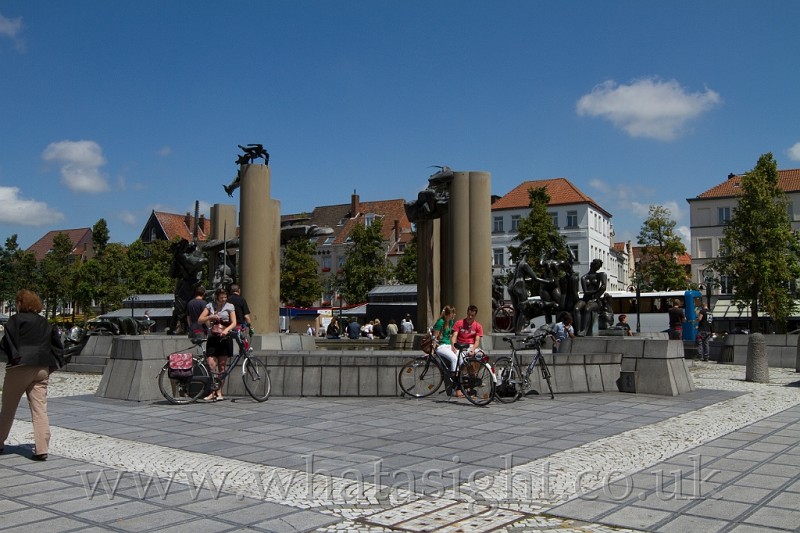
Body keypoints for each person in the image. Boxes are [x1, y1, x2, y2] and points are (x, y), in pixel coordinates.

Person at [0, 289, 65, 460]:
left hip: (20, 366)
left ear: (20, 303)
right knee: (39, 409)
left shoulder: (16, 320)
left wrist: (13, 357)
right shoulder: (45, 322)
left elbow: (8, 342)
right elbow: (56, 344)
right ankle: (42, 449)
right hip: (42, 367)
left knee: (8, 408)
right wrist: (54, 364)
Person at [198, 288, 236, 401]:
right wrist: (210, 317)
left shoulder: (230, 306)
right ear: (216, 297)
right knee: (211, 365)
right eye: (221, 297)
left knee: (222, 366)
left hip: (224, 338)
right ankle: (212, 391)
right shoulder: (210, 306)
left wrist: (227, 330)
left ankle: (219, 392)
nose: (223, 299)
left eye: (225, 297)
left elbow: (234, 322)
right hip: (213, 338)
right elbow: (200, 320)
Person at [573, 259, 607, 336]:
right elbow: (586, 292)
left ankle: (584, 331)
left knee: (587, 309)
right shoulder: (584, 277)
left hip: (595, 300)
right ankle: (578, 330)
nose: (598, 268)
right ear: (592, 265)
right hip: (585, 298)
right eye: (597, 266)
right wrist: (597, 290)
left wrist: (596, 297)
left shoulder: (601, 275)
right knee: (576, 308)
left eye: (599, 266)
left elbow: (604, 287)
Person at [227, 284, 251, 352]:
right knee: (243, 344)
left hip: (229, 326)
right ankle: (244, 354)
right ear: (239, 290)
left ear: (231, 291)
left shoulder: (227, 300)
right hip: (239, 326)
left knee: (228, 343)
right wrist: (249, 325)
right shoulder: (242, 300)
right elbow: (246, 316)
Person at [433, 306, 457, 373]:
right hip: (441, 346)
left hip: (448, 345)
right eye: (453, 313)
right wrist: (432, 351)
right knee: (454, 359)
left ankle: (460, 375)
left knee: (461, 357)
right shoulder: (440, 322)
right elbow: (434, 337)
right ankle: (454, 376)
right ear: (449, 314)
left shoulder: (451, 322)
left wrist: (453, 346)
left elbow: (450, 336)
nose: (454, 315)